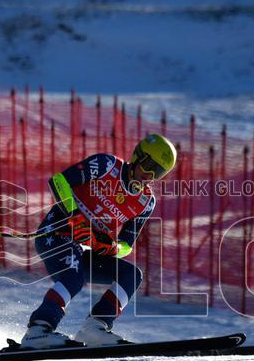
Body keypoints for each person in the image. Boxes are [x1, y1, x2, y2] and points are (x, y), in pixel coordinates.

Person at [19, 133, 177, 349]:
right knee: (75, 277)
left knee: (131, 275)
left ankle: (94, 328)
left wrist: (110, 247)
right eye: (148, 165)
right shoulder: (106, 165)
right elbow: (59, 181)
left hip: (83, 249)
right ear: (137, 156)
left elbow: (126, 245)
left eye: (157, 172)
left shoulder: (145, 202)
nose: (148, 175)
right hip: (56, 234)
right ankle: (38, 329)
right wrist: (75, 215)